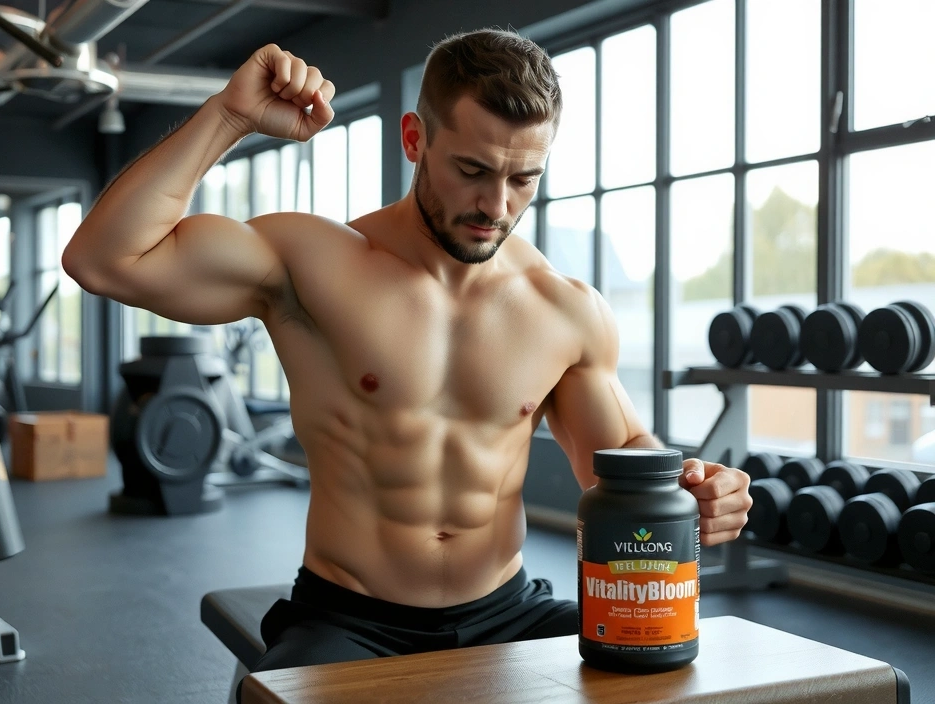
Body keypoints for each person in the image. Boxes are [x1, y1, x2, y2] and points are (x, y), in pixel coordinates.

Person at [63, 29, 752, 672]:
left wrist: (690, 483)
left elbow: (621, 454)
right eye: (472, 169)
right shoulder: (314, 263)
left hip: (508, 610)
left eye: (523, 179)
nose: (496, 205)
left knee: (661, 682)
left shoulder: (562, 307)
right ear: (415, 139)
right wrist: (228, 117)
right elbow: (105, 260)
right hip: (350, 620)